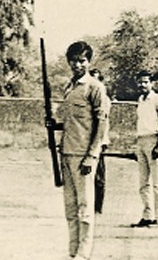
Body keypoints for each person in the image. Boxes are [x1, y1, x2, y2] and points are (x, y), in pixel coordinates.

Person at [47, 41, 108, 260]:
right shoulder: (69, 87)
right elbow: (72, 122)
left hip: (84, 156)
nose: (77, 65)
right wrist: (53, 124)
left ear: (89, 62)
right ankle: (72, 251)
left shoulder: (95, 88)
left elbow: (101, 124)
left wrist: (92, 155)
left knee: (85, 207)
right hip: (66, 152)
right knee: (70, 207)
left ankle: (84, 253)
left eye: (82, 60)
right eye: (73, 60)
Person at [131, 70, 158, 228]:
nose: (142, 85)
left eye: (145, 82)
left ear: (151, 83)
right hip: (142, 141)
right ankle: (148, 216)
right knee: (143, 182)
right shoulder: (140, 99)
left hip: (154, 141)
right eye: (140, 82)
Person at [89, 68, 111, 214]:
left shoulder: (103, 99)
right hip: (85, 140)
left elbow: (101, 121)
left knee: (98, 177)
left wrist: (101, 142)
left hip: (99, 140)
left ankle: (98, 207)